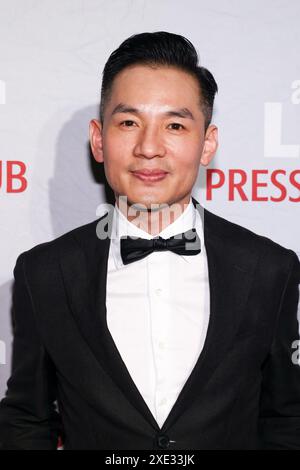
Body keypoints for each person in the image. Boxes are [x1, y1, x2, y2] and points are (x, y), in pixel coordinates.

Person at [0, 31, 299, 450]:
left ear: (207, 143)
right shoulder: (44, 273)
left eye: (174, 125)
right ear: (99, 140)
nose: (149, 148)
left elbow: (286, 418)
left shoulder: (270, 269)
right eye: (129, 123)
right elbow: (27, 420)